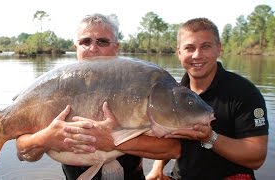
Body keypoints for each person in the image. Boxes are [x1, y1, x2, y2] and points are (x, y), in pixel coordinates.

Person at [16, 13, 181, 180]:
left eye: (102, 41)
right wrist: (46, 138)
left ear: (116, 47)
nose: (93, 48)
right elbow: (23, 152)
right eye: (85, 42)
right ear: (76, 48)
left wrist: (111, 140)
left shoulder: (138, 85)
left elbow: (174, 148)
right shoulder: (55, 87)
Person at [146, 17, 269, 180]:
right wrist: (157, 168)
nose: (197, 55)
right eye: (189, 48)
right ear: (179, 52)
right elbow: (171, 133)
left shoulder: (244, 93)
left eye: (206, 46)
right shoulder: (172, 91)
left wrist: (210, 137)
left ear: (219, 49)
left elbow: (256, 157)